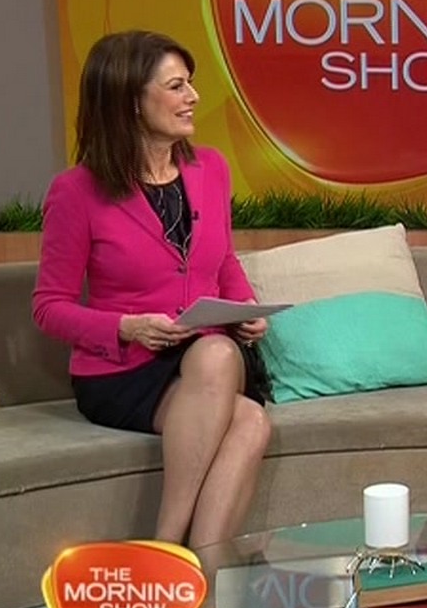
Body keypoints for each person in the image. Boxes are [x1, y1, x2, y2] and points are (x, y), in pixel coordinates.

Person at [33, 30, 272, 550]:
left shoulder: (211, 169)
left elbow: (223, 260)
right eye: (176, 86)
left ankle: (190, 576)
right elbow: (49, 307)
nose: (193, 97)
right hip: (123, 370)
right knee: (236, 395)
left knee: (237, 393)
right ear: (131, 102)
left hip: (204, 357)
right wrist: (127, 327)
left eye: (190, 84)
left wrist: (245, 307)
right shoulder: (76, 192)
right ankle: (167, 547)